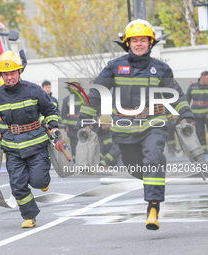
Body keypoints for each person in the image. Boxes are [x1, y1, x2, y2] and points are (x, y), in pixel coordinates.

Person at [79, 19, 194, 230]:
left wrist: (185, 115)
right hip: (124, 129)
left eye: (143, 40)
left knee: (154, 157)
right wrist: (86, 122)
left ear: (150, 43)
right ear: (127, 44)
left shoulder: (161, 69)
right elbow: (95, 92)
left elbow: (176, 95)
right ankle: (154, 177)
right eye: (135, 41)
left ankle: (152, 208)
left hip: (154, 125)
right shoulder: (115, 67)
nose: (139, 44)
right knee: (137, 167)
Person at [0, 51, 59, 228]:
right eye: (5, 74)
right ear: (1, 75)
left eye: (12, 73)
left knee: (38, 181)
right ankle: (29, 216)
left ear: (19, 71)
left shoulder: (34, 90)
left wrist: (53, 126)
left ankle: (43, 182)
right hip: (12, 146)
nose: (9, 77)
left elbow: (50, 110)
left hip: (36, 144)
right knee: (17, 184)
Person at [61, 81, 84, 161]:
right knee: (74, 145)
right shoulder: (66, 99)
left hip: (82, 126)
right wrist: (65, 126)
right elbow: (63, 114)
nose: (74, 87)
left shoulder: (84, 98)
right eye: (72, 86)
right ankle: (75, 162)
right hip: (71, 128)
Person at [186, 71, 208, 153]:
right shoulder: (192, 87)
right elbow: (186, 100)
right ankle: (204, 150)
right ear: (202, 77)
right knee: (200, 133)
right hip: (196, 115)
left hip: (207, 114)